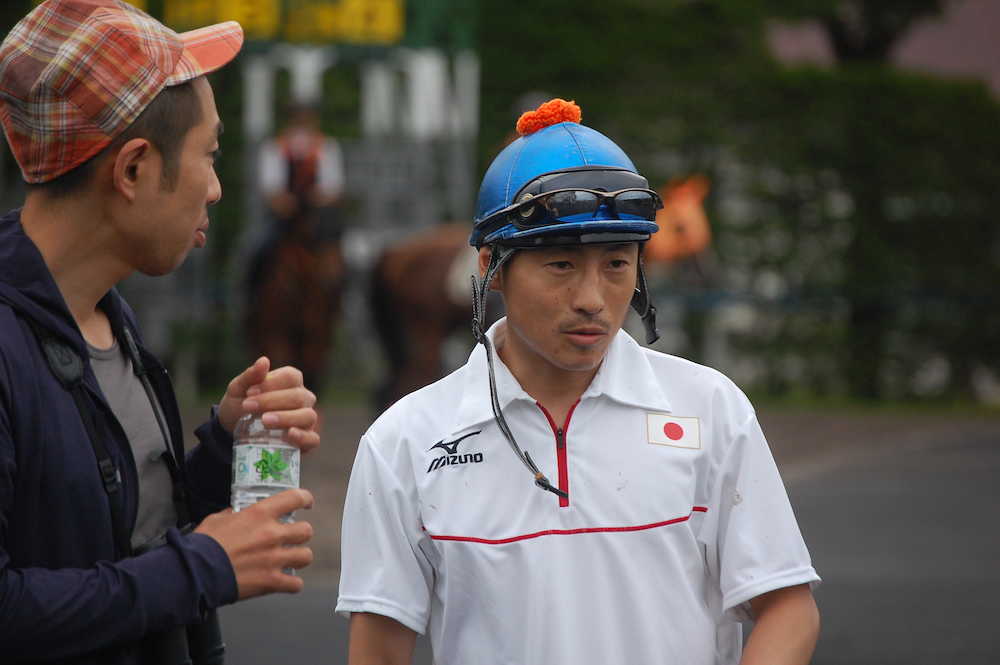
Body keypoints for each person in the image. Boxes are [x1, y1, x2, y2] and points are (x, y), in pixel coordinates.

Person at [337, 98, 821, 665]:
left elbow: (787, 606)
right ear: (489, 267)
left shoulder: (713, 409)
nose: (592, 300)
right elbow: (378, 651)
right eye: (561, 265)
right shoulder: (401, 442)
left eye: (617, 265)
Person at [0, 1, 320, 663]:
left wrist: (224, 446)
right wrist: (204, 565)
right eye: (209, 155)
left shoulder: (109, 315)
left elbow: (124, 538)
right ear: (134, 169)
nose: (216, 189)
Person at [246, 103, 346, 394]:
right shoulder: (275, 148)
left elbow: (333, 188)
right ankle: (251, 296)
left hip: (316, 217)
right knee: (258, 250)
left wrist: (315, 201)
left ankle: (338, 300)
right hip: (285, 218)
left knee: (338, 259)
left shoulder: (326, 148)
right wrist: (286, 203)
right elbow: (270, 189)